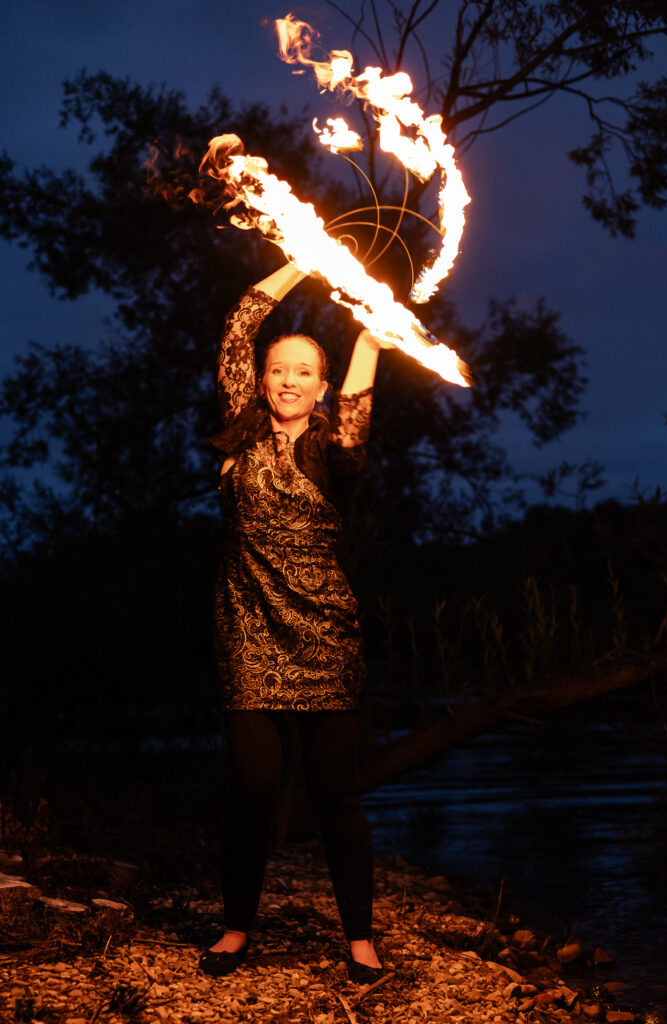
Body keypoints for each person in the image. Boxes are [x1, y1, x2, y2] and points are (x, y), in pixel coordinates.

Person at [198, 261, 392, 983]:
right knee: (252, 785)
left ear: (321, 385)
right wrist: (306, 254)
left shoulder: (332, 447)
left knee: (335, 790)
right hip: (247, 628)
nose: (285, 379)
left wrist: (374, 322)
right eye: (277, 368)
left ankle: (360, 941)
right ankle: (235, 929)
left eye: (302, 371)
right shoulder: (240, 431)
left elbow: (362, 390)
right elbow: (240, 323)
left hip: (324, 634)